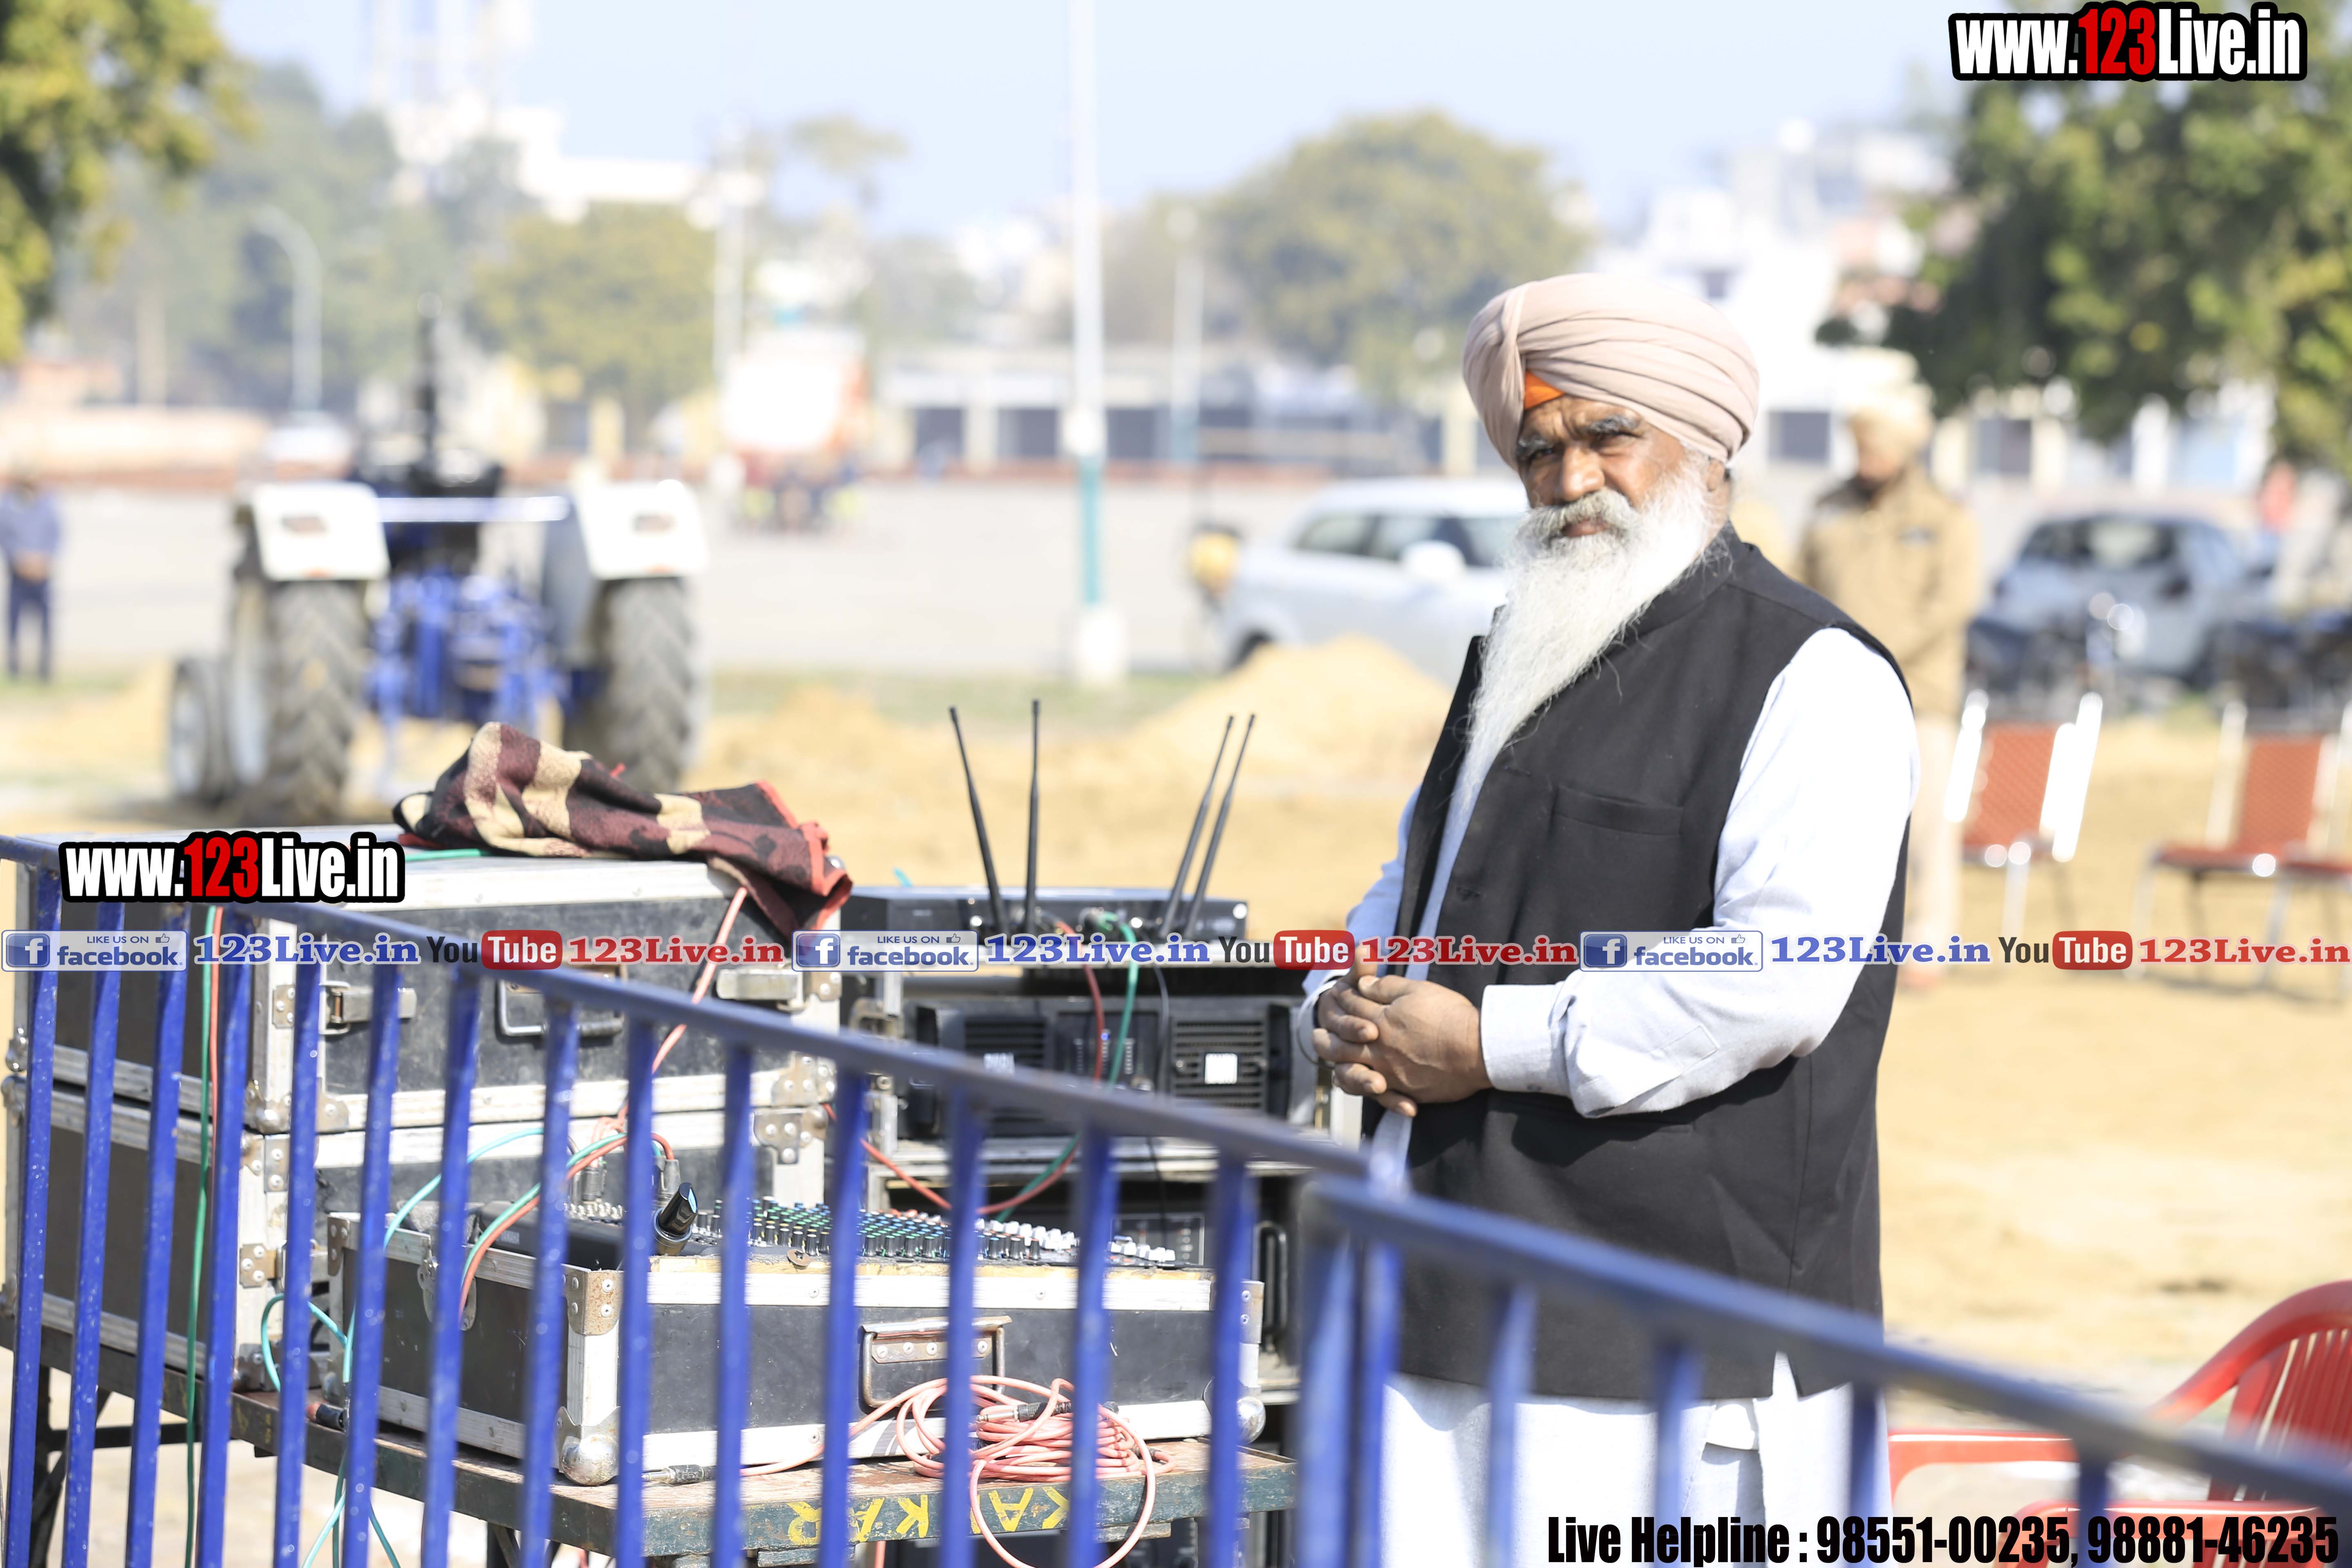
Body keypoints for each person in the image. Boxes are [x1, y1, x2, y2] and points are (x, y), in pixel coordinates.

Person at [1296, 273, 1915, 1556]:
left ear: (1707, 448)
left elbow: (1776, 982)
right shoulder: (1521, 646)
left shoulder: (1815, 677)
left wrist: (1485, 1044)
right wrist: (1347, 998)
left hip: (1661, 1346)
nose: (1572, 477)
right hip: (1440, 1296)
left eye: (1607, 436)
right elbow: (1419, 883)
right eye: (1540, 449)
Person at [1799, 399, 1978, 987]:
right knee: (1831, 825)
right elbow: (1798, 587)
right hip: (1833, 695)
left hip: (1919, 697)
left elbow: (1951, 603)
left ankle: (1927, 944)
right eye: (1861, 447)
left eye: (1878, 448)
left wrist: (1873, 652)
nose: (1867, 458)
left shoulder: (1945, 515)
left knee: (1927, 828)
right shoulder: (1828, 508)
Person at [1, 470, 60, 682]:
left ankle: (45, 671)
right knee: (14, 623)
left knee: (46, 625)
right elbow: (5, 536)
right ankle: (14, 669)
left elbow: (55, 534)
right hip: (18, 573)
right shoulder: (7, 505)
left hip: (42, 574)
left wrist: (44, 560)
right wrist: (18, 560)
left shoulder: (48, 504)